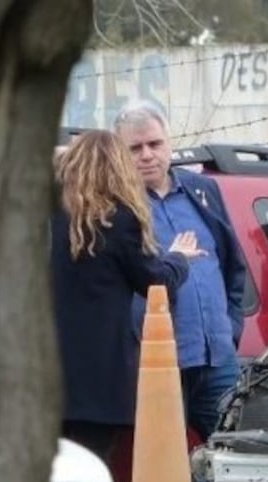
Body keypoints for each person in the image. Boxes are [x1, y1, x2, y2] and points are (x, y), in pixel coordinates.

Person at [52, 130, 205, 463]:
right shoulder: (119, 219)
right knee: (91, 474)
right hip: (98, 378)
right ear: (118, 167)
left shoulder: (48, 219)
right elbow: (155, 282)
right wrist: (179, 257)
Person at [114, 100, 248, 440]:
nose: (147, 155)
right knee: (165, 463)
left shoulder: (201, 190)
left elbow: (233, 266)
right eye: (135, 148)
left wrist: (230, 329)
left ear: (169, 143)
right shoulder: (115, 206)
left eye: (155, 144)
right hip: (157, 362)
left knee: (229, 459)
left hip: (218, 357)